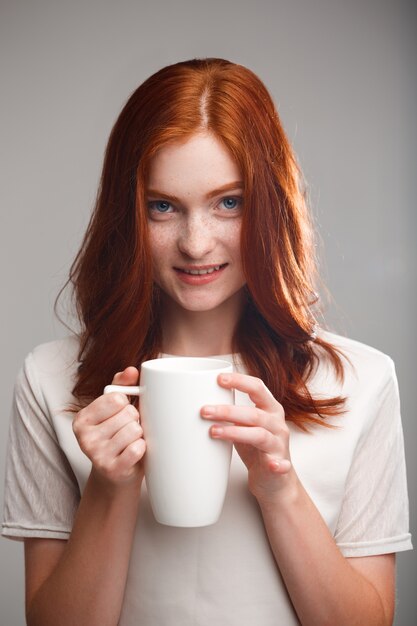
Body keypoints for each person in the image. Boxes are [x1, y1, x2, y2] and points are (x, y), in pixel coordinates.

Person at [2, 58, 412, 626]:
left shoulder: (360, 382)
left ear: (269, 204)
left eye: (229, 202)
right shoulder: (49, 381)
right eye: (163, 206)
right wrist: (110, 489)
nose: (196, 243)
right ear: (129, 213)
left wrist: (280, 490)